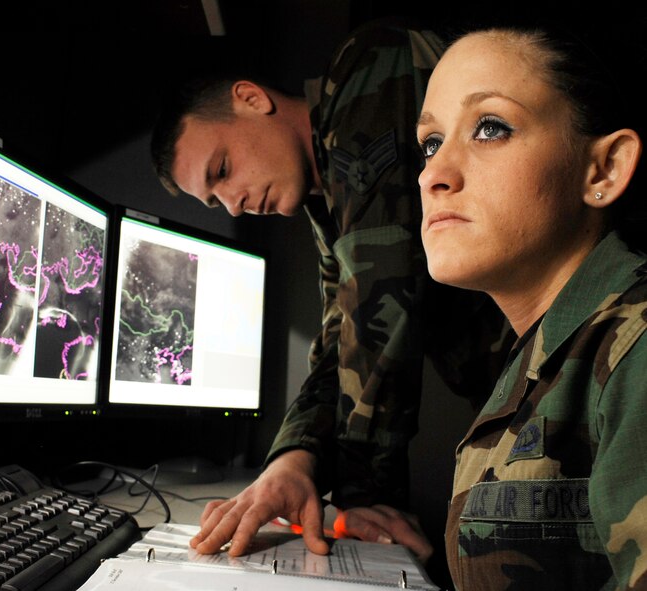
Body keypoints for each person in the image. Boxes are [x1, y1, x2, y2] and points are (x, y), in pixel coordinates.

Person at [150, 16, 509, 566]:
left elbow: (382, 301)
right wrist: (291, 461)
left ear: (250, 98)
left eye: (223, 170)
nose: (235, 203)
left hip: (598, 339)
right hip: (525, 385)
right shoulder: (329, 209)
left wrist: (363, 499)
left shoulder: (366, 66)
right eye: (215, 201)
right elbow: (339, 342)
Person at [416, 21, 647, 589]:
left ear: (604, 168)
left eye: (490, 127)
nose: (434, 175)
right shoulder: (543, 355)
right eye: (429, 143)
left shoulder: (637, 349)